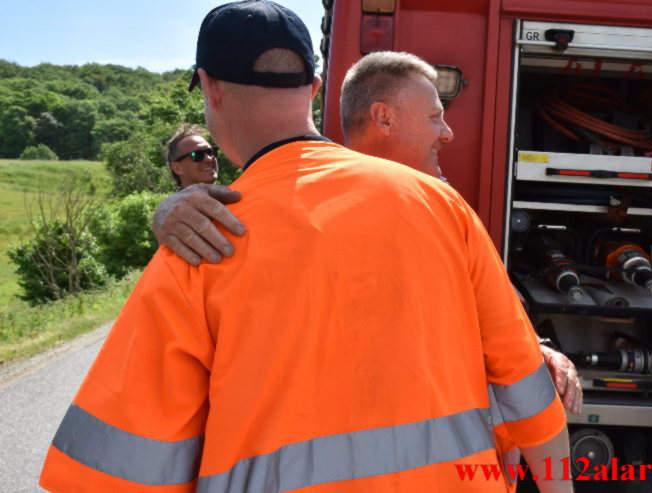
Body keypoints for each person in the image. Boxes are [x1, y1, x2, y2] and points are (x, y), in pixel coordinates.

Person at [40, 2, 572, 492]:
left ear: (210, 88)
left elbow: (117, 472)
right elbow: (527, 387)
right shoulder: (441, 205)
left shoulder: (201, 240)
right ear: (315, 88)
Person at [152, 53, 584, 417]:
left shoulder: (446, 205)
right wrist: (170, 209)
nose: (448, 133)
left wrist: (538, 349)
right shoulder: (302, 204)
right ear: (384, 118)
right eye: (435, 118)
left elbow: (493, 307)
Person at [165, 123, 219, 188]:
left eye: (210, 152)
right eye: (198, 155)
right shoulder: (180, 198)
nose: (209, 159)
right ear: (177, 168)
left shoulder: (230, 196)